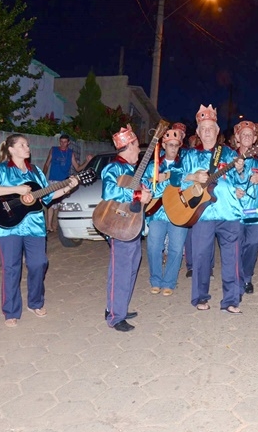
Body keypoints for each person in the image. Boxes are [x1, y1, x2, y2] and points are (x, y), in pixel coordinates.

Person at [0, 134, 78, 327]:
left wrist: (68, 187)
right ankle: (11, 311)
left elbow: (47, 197)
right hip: (9, 227)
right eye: (23, 145)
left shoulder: (35, 172)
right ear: (12, 150)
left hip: (34, 226)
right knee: (11, 269)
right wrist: (16, 189)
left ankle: (35, 302)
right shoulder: (2, 170)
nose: (27, 148)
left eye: (27, 144)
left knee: (38, 263)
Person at [173, 104, 245, 314]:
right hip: (201, 214)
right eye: (203, 128)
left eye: (210, 127)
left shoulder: (230, 154)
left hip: (229, 212)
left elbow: (241, 180)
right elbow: (175, 178)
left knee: (232, 258)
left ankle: (231, 300)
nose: (206, 131)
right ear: (197, 132)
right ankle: (200, 297)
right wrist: (193, 177)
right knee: (201, 257)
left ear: (217, 130)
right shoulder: (188, 156)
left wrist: (240, 172)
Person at [101, 125, 151, 332]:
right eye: (137, 145)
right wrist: (138, 196)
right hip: (119, 224)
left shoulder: (132, 169)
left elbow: (143, 186)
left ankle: (117, 306)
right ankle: (115, 316)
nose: (139, 149)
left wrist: (147, 189)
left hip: (133, 224)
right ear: (129, 145)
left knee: (130, 268)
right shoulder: (113, 168)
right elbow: (109, 192)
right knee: (121, 270)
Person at [144, 129, 188, 297]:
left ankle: (169, 281)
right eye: (170, 145)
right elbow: (143, 184)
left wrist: (169, 176)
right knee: (154, 247)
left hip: (178, 212)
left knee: (176, 248)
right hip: (157, 212)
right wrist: (152, 180)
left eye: (176, 146)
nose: (173, 149)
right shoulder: (153, 165)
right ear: (163, 145)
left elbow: (187, 183)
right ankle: (156, 280)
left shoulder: (184, 164)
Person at [232, 121, 258, 294]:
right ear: (237, 138)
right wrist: (232, 190)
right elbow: (221, 183)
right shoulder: (229, 157)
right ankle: (236, 278)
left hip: (255, 211)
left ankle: (246, 276)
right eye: (244, 134)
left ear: (256, 138)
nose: (247, 136)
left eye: (251, 134)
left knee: (254, 242)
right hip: (233, 211)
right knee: (235, 246)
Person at [42, 133, 91, 232]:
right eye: (61, 142)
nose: (63, 144)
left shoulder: (70, 153)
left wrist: (87, 161)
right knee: (51, 203)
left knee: (60, 205)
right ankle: (49, 226)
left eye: (65, 142)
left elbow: (77, 168)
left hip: (64, 181)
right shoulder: (54, 150)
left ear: (68, 143)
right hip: (53, 180)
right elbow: (46, 164)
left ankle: (56, 226)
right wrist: (42, 177)